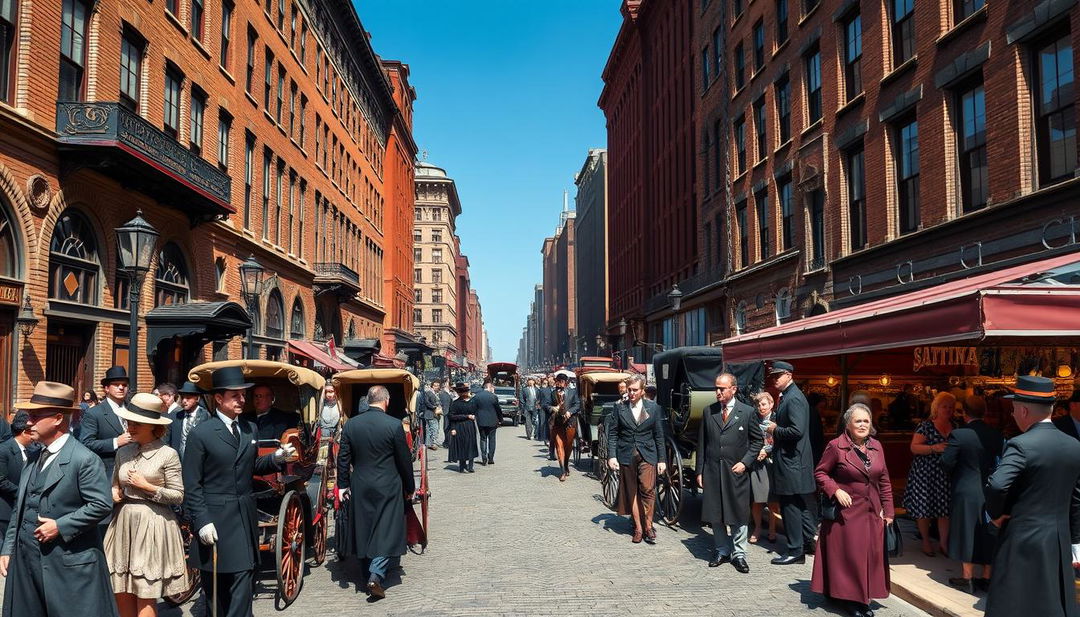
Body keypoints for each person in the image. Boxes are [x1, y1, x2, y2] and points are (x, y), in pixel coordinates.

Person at [181, 366, 294, 617]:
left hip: (244, 515)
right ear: (219, 399)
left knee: (245, 576)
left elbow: (251, 466)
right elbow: (192, 483)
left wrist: (276, 457)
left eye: (244, 395)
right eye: (235, 396)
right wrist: (202, 521)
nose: (242, 400)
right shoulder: (202, 434)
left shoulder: (249, 429)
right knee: (216, 586)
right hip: (215, 519)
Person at [0, 381, 117, 617]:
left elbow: (101, 504)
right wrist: (8, 547)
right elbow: (20, 508)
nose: (28, 422)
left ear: (56, 419)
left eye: (35, 416)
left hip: (67, 565)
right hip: (26, 564)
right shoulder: (34, 457)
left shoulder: (83, 459)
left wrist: (61, 526)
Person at [984, 376, 1080, 617]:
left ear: (1024, 410)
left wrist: (996, 515)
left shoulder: (1020, 444)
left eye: (1015, 410)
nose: (1014, 415)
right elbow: (1077, 498)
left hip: (1022, 539)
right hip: (1058, 539)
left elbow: (997, 485)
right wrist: (1076, 541)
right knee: (1051, 604)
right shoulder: (1074, 445)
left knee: (1014, 604)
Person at [104, 393, 187, 617]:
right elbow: (115, 483)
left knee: (145, 589)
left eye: (135, 424)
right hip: (123, 522)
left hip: (152, 524)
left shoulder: (167, 454)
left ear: (152, 426)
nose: (129, 427)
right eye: (128, 422)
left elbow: (178, 495)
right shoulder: (123, 451)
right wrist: (114, 492)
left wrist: (147, 487)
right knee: (120, 587)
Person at [811, 404, 894, 617]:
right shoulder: (835, 446)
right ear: (848, 424)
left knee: (868, 557)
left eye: (866, 421)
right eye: (858, 421)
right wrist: (835, 490)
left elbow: (884, 480)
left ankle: (862, 597)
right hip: (845, 515)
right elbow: (820, 473)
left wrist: (889, 511)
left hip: (871, 513)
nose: (863, 425)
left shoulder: (877, 446)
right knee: (849, 558)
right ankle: (853, 601)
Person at [336, 386, 415, 600]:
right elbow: (404, 460)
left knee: (364, 527)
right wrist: (410, 487)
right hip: (388, 484)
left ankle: (365, 573)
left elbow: (343, 457)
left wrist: (342, 484)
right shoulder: (393, 425)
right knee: (387, 529)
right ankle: (376, 574)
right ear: (386, 401)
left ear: (368, 400)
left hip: (360, 482)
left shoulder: (352, 424)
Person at [696, 373, 764, 573]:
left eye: (722, 388)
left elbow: (757, 441)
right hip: (713, 471)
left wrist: (745, 462)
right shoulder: (709, 411)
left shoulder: (747, 412)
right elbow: (703, 443)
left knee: (739, 513)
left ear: (733, 389)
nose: (718, 392)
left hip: (736, 472)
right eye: (716, 388)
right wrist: (700, 470)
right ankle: (722, 550)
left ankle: (739, 554)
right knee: (715, 513)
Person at [940, 395, 1004, 593]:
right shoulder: (996, 435)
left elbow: (946, 462)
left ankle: (967, 577)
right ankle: (986, 576)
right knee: (988, 531)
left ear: (964, 413)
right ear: (984, 412)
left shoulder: (959, 435)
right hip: (990, 489)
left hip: (965, 489)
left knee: (965, 530)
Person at [765, 361, 817, 565]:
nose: (774, 379)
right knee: (797, 505)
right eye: (773, 376)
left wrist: (773, 429)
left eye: (778, 376)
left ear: (788, 375)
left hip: (792, 462)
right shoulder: (790, 395)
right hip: (791, 461)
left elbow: (797, 431)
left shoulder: (794, 398)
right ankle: (805, 543)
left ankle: (795, 550)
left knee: (790, 506)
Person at [606, 375, 666, 544]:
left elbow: (659, 435)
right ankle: (638, 528)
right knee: (632, 491)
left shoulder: (653, 408)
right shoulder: (620, 408)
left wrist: (662, 459)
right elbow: (613, 434)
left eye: (635, 390)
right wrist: (611, 456)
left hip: (648, 454)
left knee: (648, 488)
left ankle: (649, 526)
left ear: (642, 391)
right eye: (629, 390)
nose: (631, 393)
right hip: (626, 454)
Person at [904, 391, 955, 557]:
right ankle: (926, 541)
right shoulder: (925, 426)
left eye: (950, 407)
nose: (947, 409)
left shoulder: (955, 427)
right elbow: (914, 447)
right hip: (924, 474)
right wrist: (934, 448)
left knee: (944, 510)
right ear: (936, 408)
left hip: (945, 474)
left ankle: (943, 543)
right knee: (924, 508)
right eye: (944, 406)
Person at [80, 366, 133, 484]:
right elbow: (86, 443)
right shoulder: (94, 413)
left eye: (124, 385)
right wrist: (115, 442)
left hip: (134, 473)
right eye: (116, 384)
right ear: (107, 388)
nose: (121, 387)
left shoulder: (133, 410)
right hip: (107, 473)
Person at [749, 391, 780, 544]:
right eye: (759, 405)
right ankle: (758, 527)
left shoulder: (777, 419)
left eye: (764, 404)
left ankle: (773, 529)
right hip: (758, 462)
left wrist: (766, 450)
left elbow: (781, 439)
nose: (761, 407)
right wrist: (758, 451)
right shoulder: (753, 419)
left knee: (773, 500)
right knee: (757, 499)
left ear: (771, 404)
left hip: (773, 463)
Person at [0, 412, 35, 541]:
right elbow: (1, 481)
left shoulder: (31, 451)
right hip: (5, 512)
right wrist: (23, 492)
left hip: (21, 513)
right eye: (32, 432)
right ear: (25, 432)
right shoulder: (4, 450)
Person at [165, 381, 210, 459]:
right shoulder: (175, 416)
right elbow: (166, 441)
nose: (184, 401)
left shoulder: (206, 417)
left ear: (197, 398)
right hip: (177, 464)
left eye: (188, 397)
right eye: (182, 397)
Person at [447, 383, 479, 473]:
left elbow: (476, 413)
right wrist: (453, 428)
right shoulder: (455, 403)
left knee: (471, 444)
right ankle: (462, 465)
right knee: (462, 445)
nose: (464, 394)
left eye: (465, 392)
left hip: (470, 426)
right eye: (462, 392)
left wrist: (474, 417)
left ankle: (471, 466)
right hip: (460, 426)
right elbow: (451, 416)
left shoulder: (472, 402)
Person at [473, 381, 503, 465]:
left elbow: (473, 407)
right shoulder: (493, 397)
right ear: (490, 387)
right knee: (492, 439)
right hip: (492, 421)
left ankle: (483, 457)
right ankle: (491, 458)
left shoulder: (477, 396)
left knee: (483, 439)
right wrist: (500, 419)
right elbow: (498, 409)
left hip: (481, 421)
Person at [419, 381, 440, 451]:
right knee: (434, 428)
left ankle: (428, 443)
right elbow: (427, 402)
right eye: (435, 385)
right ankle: (433, 443)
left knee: (428, 429)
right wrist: (434, 407)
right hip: (431, 414)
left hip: (429, 414)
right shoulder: (429, 393)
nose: (437, 387)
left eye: (438, 385)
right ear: (432, 386)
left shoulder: (433, 393)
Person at [435, 380, 453, 449]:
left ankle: (447, 442)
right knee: (446, 428)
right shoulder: (443, 393)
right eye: (448, 383)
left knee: (447, 428)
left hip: (448, 413)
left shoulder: (449, 393)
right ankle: (447, 442)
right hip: (445, 413)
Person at [537, 377, 554, 445]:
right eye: (550, 381)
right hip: (544, 408)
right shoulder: (543, 390)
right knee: (544, 423)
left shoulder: (556, 390)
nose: (552, 382)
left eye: (553, 380)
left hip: (554, 409)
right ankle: (543, 437)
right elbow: (540, 399)